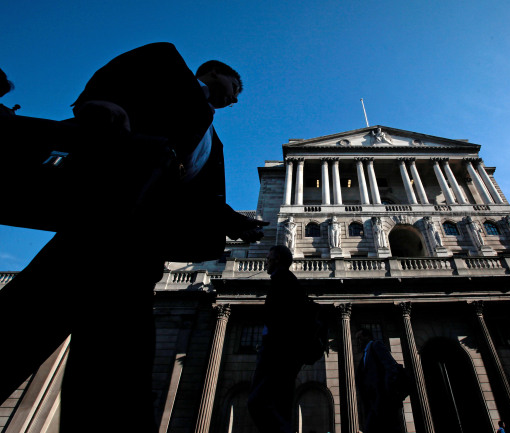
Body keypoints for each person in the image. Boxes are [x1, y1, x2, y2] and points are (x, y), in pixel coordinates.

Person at [0, 43, 268, 432]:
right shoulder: (167, 63)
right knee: (39, 313)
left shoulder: (215, 142)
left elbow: (197, 195)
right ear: (214, 72)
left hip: (146, 240)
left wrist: (230, 221)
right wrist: (98, 103)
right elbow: (116, 76)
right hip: (107, 210)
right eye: (235, 87)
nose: (235, 98)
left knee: (111, 344)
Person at [248, 245, 308, 433]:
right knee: (279, 404)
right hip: (283, 352)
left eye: (268, 258)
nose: (265, 261)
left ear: (277, 260)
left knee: (258, 401)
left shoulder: (282, 280)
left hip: (277, 352)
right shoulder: (286, 280)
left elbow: (281, 318)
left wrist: (271, 344)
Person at [355, 327, 404, 433]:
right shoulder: (365, 354)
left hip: (382, 401)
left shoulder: (376, 345)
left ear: (367, 337)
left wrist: (386, 394)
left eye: (360, 338)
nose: (358, 342)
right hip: (373, 403)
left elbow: (391, 367)